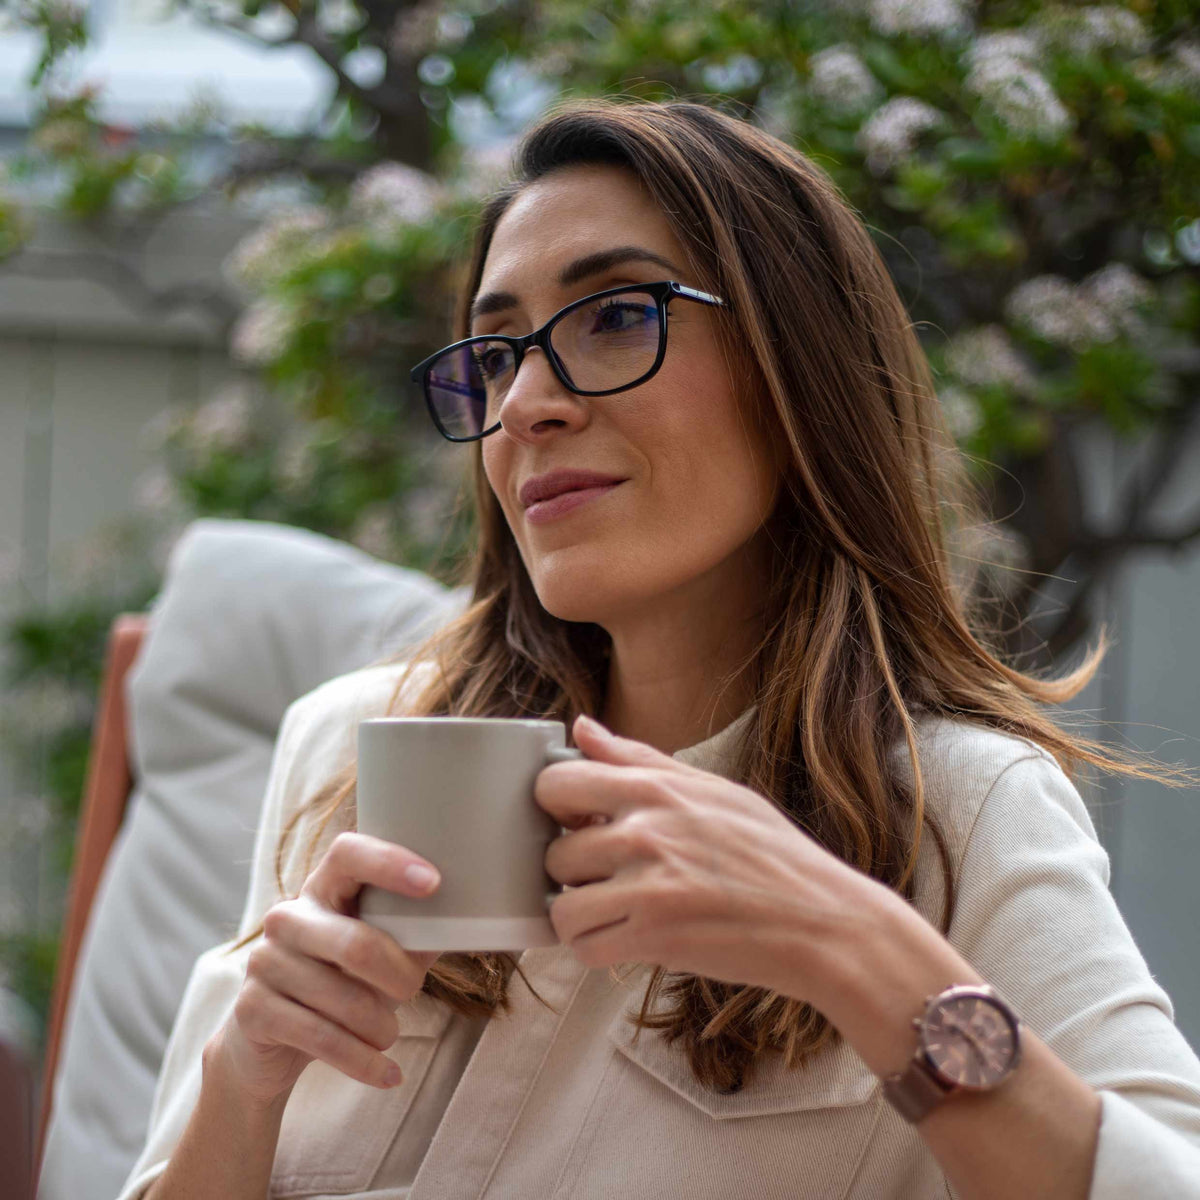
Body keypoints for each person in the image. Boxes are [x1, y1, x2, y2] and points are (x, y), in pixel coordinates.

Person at [117, 98, 1200, 1200]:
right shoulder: (348, 751)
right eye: (497, 354)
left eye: (619, 316)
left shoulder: (952, 807)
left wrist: (863, 956)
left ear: (797, 371)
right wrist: (239, 1082)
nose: (526, 404)